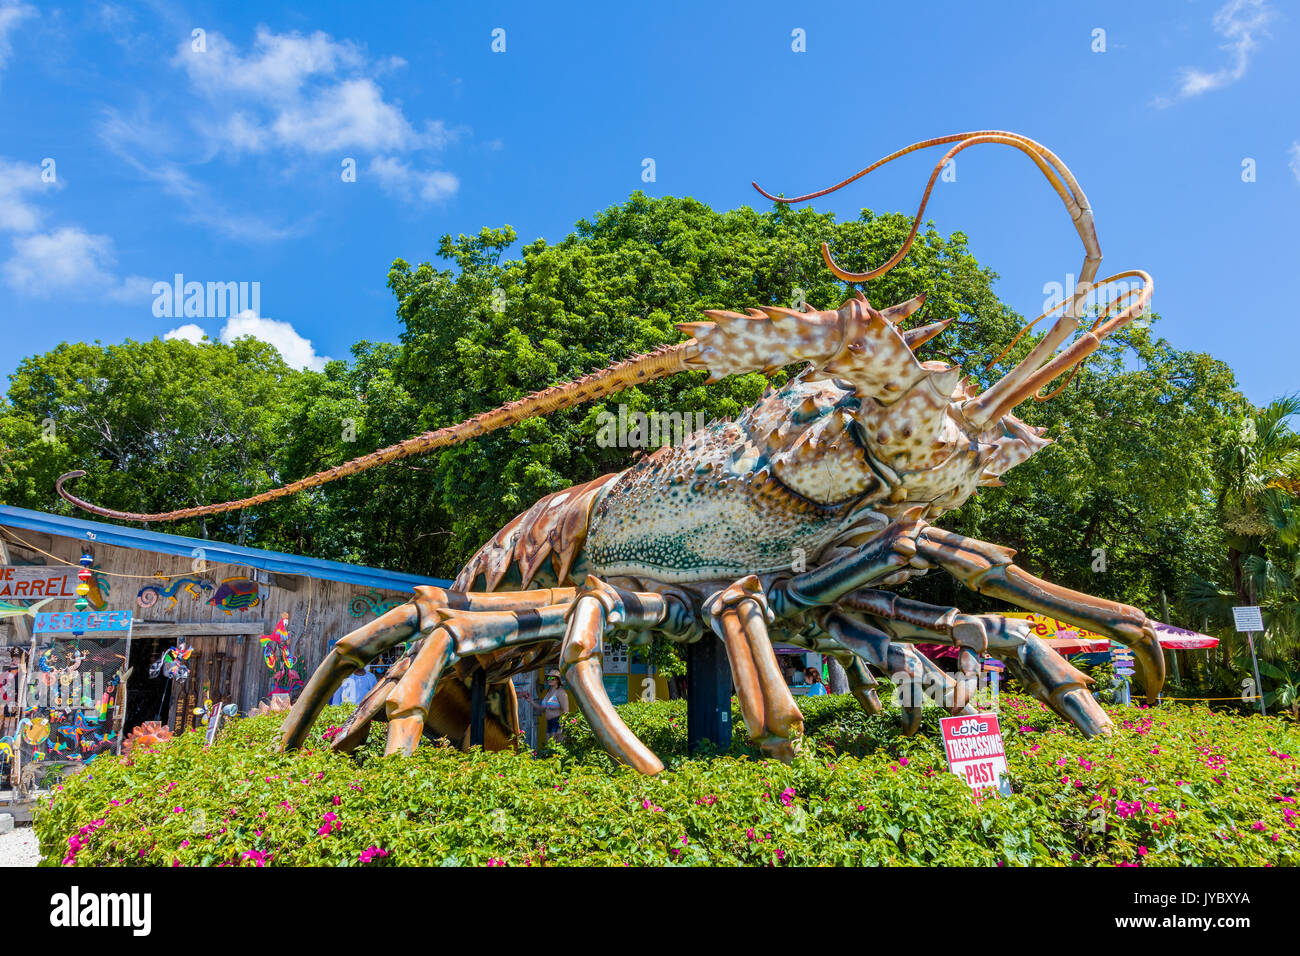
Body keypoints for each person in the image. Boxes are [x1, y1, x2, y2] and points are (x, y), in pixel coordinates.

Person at [540, 669, 569, 743]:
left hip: (557, 723)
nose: (549, 679)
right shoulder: (548, 692)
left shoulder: (561, 692)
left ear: (557, 680)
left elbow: (566, 711)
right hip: (549, 723)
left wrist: (561, 727)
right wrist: (531, 701)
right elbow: (543, 709)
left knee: (556, 747)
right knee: (549, 746)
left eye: (552, 678)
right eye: (548, 678)